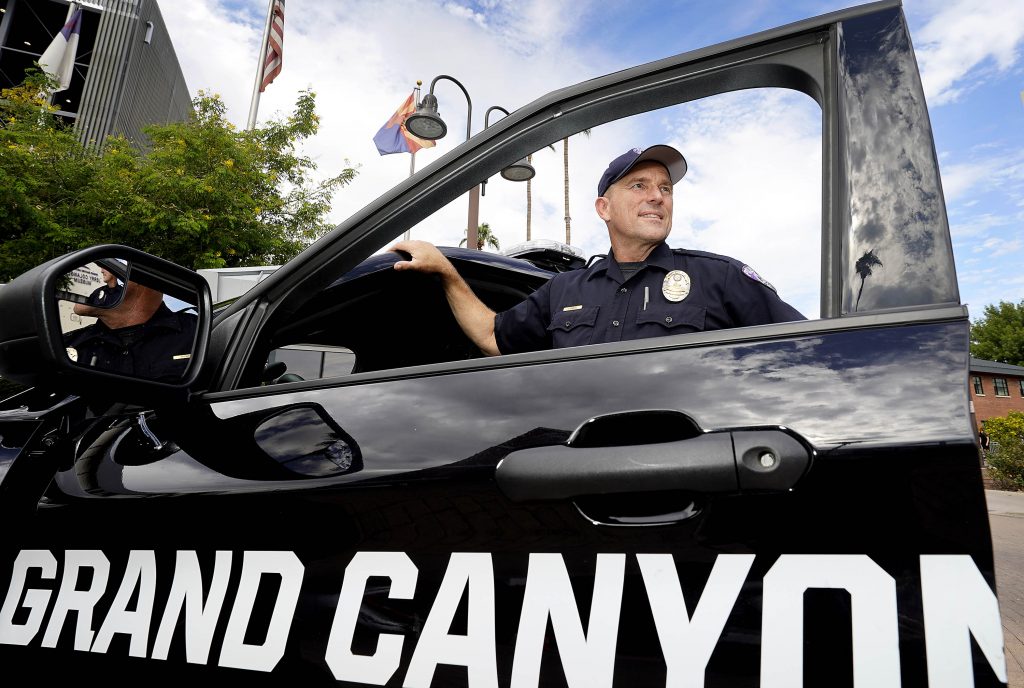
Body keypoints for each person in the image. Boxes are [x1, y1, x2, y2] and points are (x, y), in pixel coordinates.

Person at [391, 144, 804, 356]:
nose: (657, 196)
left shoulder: (720, 278)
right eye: (639, 186)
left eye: (665, 188)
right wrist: (447, 271)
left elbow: (805, 347)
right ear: (603, 208)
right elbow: (491, 336)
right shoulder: (564, 291)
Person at [65, 280, 197, 382]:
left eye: (117, 268)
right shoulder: (67, 345)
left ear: (147, 284)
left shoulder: (198, 333)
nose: (104, 274)